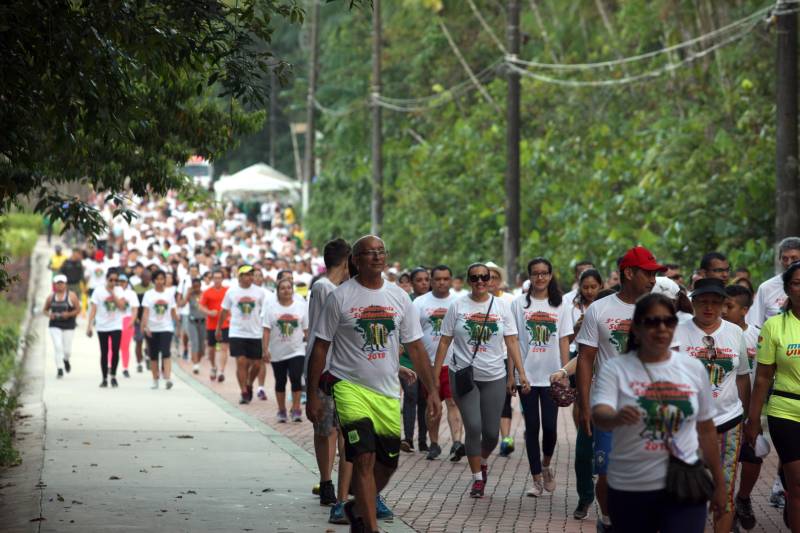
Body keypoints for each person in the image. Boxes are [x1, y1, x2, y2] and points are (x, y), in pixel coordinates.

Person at [306, 235, 441, 533]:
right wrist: (312, 395)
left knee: (387, 463)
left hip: (387, 392)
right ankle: (369, 527)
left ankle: (357, 506)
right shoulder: (339, 297)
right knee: (363, 457)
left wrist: (432, 391)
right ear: (356, 260)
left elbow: (416, 347)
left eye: (381, 252)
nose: (376, 257)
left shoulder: (398, 297)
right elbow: (320, 348)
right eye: (369, 253)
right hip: (349, 387)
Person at [591, 293, 726, 533]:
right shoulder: (616, 368)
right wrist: (615, 417)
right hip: (630, 485)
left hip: (684, 483)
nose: (661, 328)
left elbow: (706, 429)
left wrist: (719, 483)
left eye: (669, 321)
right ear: (636, 328)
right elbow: (600, 413)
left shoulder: (692, 368)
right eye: (652, 322)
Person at [576, 245, 666, 532]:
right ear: (629, 273)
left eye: (655, 274)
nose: (653, 279)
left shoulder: (660, 308)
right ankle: (609, 520)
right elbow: (586, 359)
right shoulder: (599, 310)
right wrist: (583, 402)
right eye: (648, 273)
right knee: (605, 473)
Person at [433, 262, 530, 498]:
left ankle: (483, 460)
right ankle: (477, 478)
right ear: (468, 280)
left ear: (491, 280)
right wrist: (434, 378)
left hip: (494, 375)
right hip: (464, 375)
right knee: (474, 427)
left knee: (491, 434)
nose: (479, 282)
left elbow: (512, 342)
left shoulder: (502, 307)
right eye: (474, 278)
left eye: (484, 278)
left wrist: (519, 374)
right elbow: (444, 342)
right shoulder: (457, 306)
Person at [673, 278, 750, 533]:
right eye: (703, 302)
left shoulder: (735, 333)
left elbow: (742, 377)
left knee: (724, 492)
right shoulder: (678, 331)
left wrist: (747, 418)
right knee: (684, 491)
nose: (709, 308)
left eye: (715, 303)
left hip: (729, 421)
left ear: (724, 305)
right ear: (693, 302)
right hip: (688, 425)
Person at [745, 260, 800, 532]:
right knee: (797, 480)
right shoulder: (775, 326)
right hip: (785, 410)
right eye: (797, 283)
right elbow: (763, 377)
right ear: (788, 289)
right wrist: (753, 420)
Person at [304, 239, 353, 520]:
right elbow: (326, 332)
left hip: (343, 367)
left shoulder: (339, 289)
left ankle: (340, 485)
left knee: (343, 430)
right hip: (325, 368)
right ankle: (325, 481)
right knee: (326, 428)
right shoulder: (324, 288)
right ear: (346, 262)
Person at [512, 258, 566, 497]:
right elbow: (511, 342)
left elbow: (564, 339)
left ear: (551, 276)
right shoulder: (518, 305)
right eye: (536, 274)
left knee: (551, 428)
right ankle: (535, 479)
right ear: (530, 277)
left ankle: (545, 465)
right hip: (527, 376)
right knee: (532, 427)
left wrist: (565, 372)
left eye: (545, 273)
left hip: (552, 376)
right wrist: (512, 376)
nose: (540, 278)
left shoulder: (561, 305)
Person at [551, 268, 603, 519]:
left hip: (617, 404)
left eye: (595, 286)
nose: (590, 291)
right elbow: (582, 356)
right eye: (586, 286)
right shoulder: (583, 315)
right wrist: (562, 371)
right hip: (589, 400)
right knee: (583, 453)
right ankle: (585, 499)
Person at [412, 265, 465, 461]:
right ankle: (433, 443)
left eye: (445, 279)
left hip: (453, 362)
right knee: (433, 406)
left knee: (453, 402)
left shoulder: (460, 302)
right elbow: (412, 332)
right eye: (438, 279)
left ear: (450, 280)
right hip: (429, 364)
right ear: (431, 281)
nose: (442, 282)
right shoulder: (419, 302)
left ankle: (457, 442)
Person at [722, 284, 762, 530]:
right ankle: (727, 511)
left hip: (751, 407)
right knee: (724, 466)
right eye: (722, 305)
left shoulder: (756, 335)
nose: (724, 311)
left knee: (752, 458)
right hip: (725, 410)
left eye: (730, 306)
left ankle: (743, 498)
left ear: (745, 310)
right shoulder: (719, 333)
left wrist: (751, 415)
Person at [218, 265, 266, 404]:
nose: (250, 277)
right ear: (240, 276)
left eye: (252, 274)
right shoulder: (231, 292)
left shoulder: (260, 292)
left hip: (255, 333)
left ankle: (250, 383)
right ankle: (244, 391)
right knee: (241, 361)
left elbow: (265, 311)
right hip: (237, 332)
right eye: (246, 274)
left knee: (257, 364)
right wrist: (219, 329)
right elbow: (224, 311)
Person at [262, 278, 308, 422]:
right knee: (280, 381)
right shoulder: (271, 308)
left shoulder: (301, 307)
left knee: (295, 378)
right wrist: (265, 349)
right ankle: (281, 410)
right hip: (277, 352)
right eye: (283, 288)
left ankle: (296, 409)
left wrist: (310, 346)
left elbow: (306, 330)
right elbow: (266, 331)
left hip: (297, 350)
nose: (286, 290)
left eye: (289, 287)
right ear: (278, 291)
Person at [485, 261, 517, 457]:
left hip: (504, 356)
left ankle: (506, 439)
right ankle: (486, 436)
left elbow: (514, 334)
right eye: (487, 277)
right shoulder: (471, 301)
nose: (491, 282)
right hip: (481, 358)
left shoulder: (510, 300)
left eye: (494, 277)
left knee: (505, 398)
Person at [400, 267, 430, 453]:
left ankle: (423, 441)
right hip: (407, 359)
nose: (424, 283)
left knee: (424, 400)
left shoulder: (433, 302)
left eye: (426, 279)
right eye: (419, 280)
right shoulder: (406, 302)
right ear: (412, 283)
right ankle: (408, 438)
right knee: (410, 396)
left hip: (427, 361)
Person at [87, 267, 132, 388]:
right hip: (102, 326)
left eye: (115, 280)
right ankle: (104, 378)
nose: (113, 282)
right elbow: (93, 309)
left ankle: (113, 375)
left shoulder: (119, 291)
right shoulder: (98, 291)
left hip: (116, 325)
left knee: (115, 350)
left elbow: (122, 306)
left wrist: (113, 293)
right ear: (106, 279)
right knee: (104, 352)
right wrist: (89, 325)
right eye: (111, 280)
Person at [747, 236, 800, 328]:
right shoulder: (766, 288)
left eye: (794, 258)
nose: (789, 263)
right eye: (785, 258)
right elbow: (754, 324)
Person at [141, 269, 179, 389]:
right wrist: (145, 326)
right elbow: (146, 312)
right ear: (153, 280)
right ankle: (155, 379)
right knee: (153, 355)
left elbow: (173, 311)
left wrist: (177, 325)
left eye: (162, 279)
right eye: (157, 279)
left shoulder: (169, 294)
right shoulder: (149, 294)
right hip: (152, 328)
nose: (160, 281)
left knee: (166, 352)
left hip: (166, 327)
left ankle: (167, 378)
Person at [43, 274, 80, 378]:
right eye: (57, 283)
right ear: (55, 285)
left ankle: (66, 359)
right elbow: (45, 310)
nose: (60, 285)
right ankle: (59, 368)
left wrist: (68, 314)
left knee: (67, 350)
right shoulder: (51, 297)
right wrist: (50, 315)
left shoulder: (71, 296)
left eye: (62, 283)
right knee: (58, 346)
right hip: (55, 324)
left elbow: (78, 309)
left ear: (65, 284)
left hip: (68, 325)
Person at [199, 270, 230, 383]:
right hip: (212, 325)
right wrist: (208, 312)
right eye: (215, 278)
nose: (217, 280)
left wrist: (230, 314)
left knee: (224, 348)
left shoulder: (228, 291)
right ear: (212, 279)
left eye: (219, 278)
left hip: (225, 324)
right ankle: (213, 367)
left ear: (222, 279)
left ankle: (221, 371)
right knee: (211, 349)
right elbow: (201, 306)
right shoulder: (207, 292)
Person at [181, 278, 207, 374]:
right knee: (194, 342)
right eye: (194, 286)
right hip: (192, 321)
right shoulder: (190, 295)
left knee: (202, 346)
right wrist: (188, 294)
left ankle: (197, 361)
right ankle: (195, 365)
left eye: (198, 286)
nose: (196, 288)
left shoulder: (204, 294)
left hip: (203, 322)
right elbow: (181, 304)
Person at [117, 274, 139, 378]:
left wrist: (132, 320)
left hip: (127, 319)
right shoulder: (114, 292)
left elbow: (135, 308)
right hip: (115, 320)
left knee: (125, 346)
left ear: (127, 282)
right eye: (119, 281)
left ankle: (125, 368)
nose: (121, 283)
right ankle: (109, 366)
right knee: (111, 346)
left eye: (123, 281)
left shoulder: (131, 294)